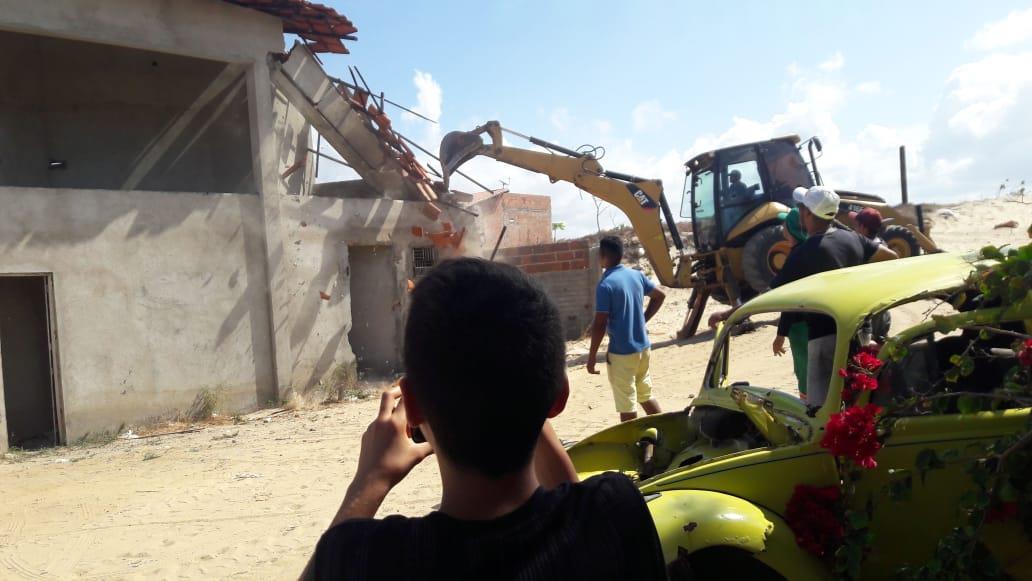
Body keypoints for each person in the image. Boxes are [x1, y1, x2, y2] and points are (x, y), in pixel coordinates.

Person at [303, 258, 667, 580]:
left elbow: (334, 557)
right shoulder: (614, 511)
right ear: (559, 397)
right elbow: (574, 509)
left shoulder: (364, 559)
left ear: (412, 407)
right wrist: (522, 386)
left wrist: (370, 480)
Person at [770, 186, 898, 407]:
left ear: (808, 213)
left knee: (821, 408)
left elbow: (775, 293)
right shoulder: (854, 239)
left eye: (802, 209)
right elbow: (892, 256)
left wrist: (731, 312)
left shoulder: (803, 252)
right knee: (859, 398)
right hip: (860, 331)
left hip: (825, 338)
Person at [588, 236, 666, 422]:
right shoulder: (636, 275)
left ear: (603, 255)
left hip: (622, 354)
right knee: (646, 395)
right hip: (644, 349)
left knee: (627, 406)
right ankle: (664, 430)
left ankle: (632, 446)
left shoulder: (605, 285)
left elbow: (599, 325)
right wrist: (642, 319)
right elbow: (660, 296)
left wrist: (592, 357)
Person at [849, 207, 892, 342]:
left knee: (865, 354)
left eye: (856, 225)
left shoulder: (862, 249)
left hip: (868, 315)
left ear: (863, 227)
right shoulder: (882, 246)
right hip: (883, 311)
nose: (854, 228)